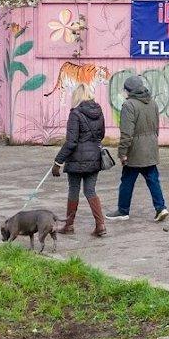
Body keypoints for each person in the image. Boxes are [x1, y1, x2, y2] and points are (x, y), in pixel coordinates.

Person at [106, 75, 169, 222]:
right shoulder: (152, 103)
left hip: (135, 151)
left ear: (129, 90)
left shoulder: (129, 105)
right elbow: (156, 127)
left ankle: (123, 210)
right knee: (153, 179)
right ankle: (161, 208)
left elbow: (126, 132)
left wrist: (122, 153)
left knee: (127, 180)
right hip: (151, 148)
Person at [52, 84, 107, 237]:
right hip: (95, 157)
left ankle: (69, 226)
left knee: (74, 190)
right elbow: (101, 135)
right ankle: (100, 225)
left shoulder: (75, 114)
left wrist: (58, 162)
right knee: (90, 190)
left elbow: (71, 142)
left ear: (76, 96)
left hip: (76, 160)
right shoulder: (99, 112)